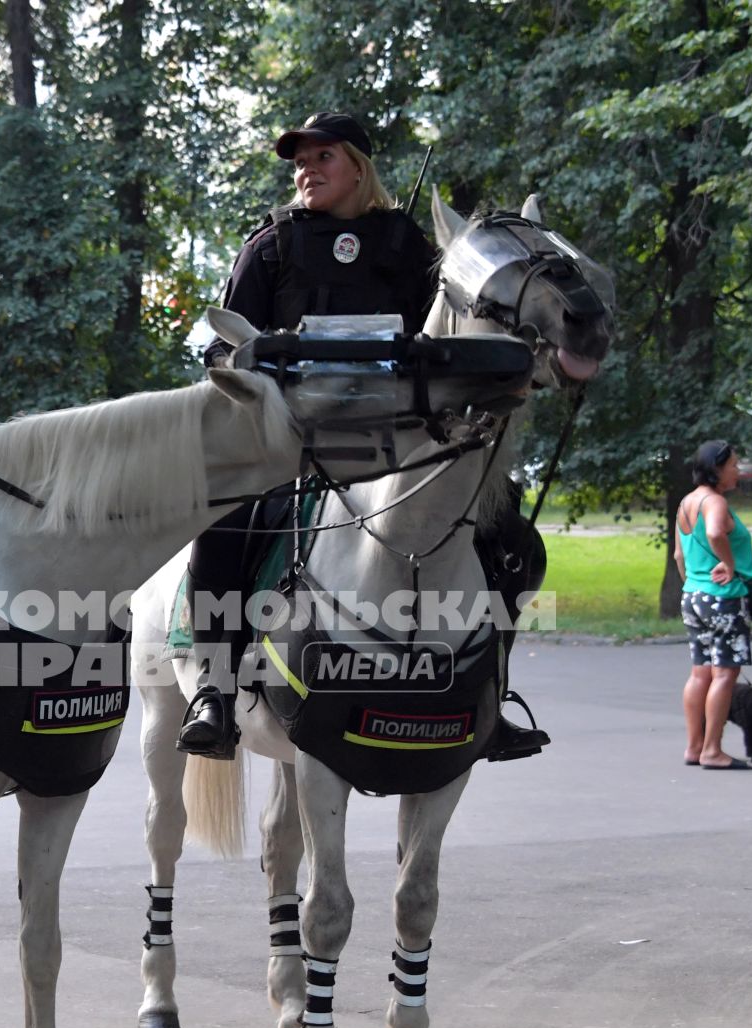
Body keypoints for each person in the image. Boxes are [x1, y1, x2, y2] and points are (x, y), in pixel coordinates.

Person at [178, 112, 548, 765]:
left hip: (401, 438)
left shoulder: (407, 245)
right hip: (290, 439)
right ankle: (215, 685)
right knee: (226, 522)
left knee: (511, 531)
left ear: (357, 166)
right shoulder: (271, 246)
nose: (306, 170)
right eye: (299, 160)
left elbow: (449, 336)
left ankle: (492, 691)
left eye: (323, 157)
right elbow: (218, 343)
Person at [676, 440, 752, 770]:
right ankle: (713, 750)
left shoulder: (686, 502)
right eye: (734, 465)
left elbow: (679, 555)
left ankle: (694, 747)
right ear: (717, 468)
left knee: (700, 673)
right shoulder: (715, 503)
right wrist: (729, 564)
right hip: (723, 599)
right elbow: (714, 533)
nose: (738, 470)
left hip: (693, 595)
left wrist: (692, 584)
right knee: (725, 673)